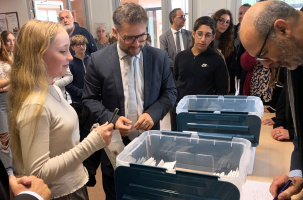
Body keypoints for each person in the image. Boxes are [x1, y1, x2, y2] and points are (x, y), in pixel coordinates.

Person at [8, 20, 114, 199]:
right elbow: (39, 172)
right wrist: (92, 143)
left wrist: (90, 136)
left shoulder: (53, 87)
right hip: (61, 193)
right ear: (38, 56)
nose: (71, 57)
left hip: (74, 183)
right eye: (63, 51)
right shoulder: (35, 105)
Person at [82, 2, 177, 199]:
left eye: (141, 37)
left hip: (149, 141)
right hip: (114, 145)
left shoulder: (159, 57)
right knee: (117, 193)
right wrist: (112, 119)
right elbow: (89, 99)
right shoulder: (98, 61)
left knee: (148, 192)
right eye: (129, 38)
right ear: (115, 32)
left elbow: (170, 93)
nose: (136, 44)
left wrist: (153, 113)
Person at [239, 1, 303, 199]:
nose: (267, 65)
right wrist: (297, 173)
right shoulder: (293, 56)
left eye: (264, 55)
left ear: (282, 28)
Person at [170, 16, 228, 131]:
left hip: (204, 111)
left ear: (213, 37)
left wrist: (215, 108)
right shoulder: (180, 57)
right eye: (199, 34)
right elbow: (175, 81)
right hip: (180, 109)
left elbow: (222, 90)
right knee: (178, 142)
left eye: (207, 35)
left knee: (200, 145)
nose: (202, 39)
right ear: (193, 34)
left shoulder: (217, 60)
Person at [212, 9, 237, 94]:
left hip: (224, 83)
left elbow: (231, 70)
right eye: (221, 20)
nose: (224, 24)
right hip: (209, 83)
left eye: (227, 22)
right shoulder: (207, 39)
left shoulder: (230, 43)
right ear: (215, 20)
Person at [0, 34, 13, 176]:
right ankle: (8, 170)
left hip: (11, 99)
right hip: (0, 105)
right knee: (4, 138)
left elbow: (16, 78)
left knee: (14, 134)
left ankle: (15, 165)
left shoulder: (7, 58)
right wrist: (9, 81)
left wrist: (3, 86)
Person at [66, 34, 91, 103]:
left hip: (93, 97)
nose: (81, 47)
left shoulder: (92, 60)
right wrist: (81, 93)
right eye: (78, 45)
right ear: (72, 47)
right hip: (78, 100)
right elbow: (68, 84)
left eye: (83, 44)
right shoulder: (70, 64)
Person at [234, 4, 251, 95]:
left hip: (247, 70)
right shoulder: (233, 30)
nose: (242, 16)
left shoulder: (253, 33)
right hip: (234, 70)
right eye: (240, 13)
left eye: (246, 13)